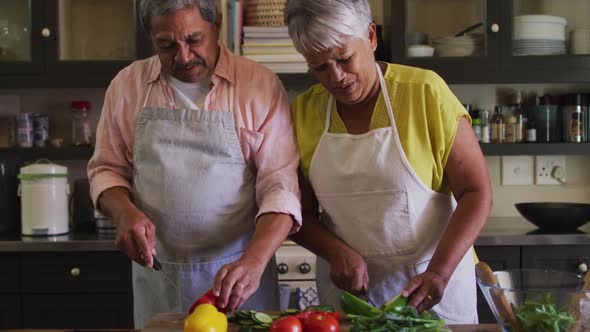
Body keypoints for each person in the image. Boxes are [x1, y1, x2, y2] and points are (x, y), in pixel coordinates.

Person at [87, 0, 301, 327]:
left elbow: (280, 187)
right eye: (167, 45)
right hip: (159, 276)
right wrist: (124, 213)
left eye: (194, 40)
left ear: (216, 24)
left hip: (241, 277)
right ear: (151, 38)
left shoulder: (258, 86)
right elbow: (106, 170)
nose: (183, 56)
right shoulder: (126, 86)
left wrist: (255, 262)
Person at [285, 0, 492, 324]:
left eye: (344, 58)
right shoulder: (303, 113)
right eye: (320, 67)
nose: (336, 77)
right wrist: (335, 251)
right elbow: (299, 212)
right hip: (349, 300)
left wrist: (438, 272)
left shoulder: (424, 94)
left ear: (370, 37)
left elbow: (476, 192)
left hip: (433, 294)